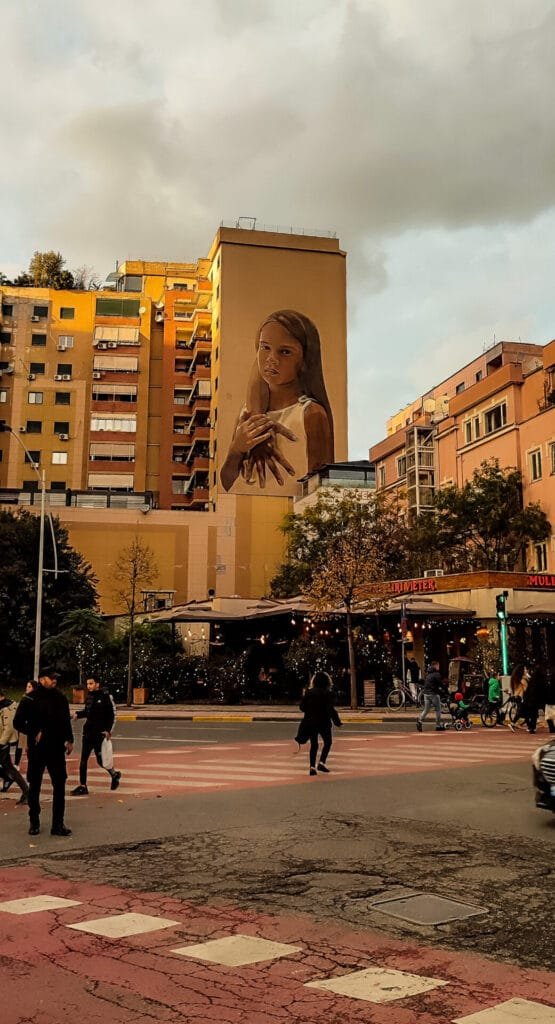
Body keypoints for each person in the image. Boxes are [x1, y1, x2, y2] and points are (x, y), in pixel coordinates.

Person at [220, 310, 334, 494]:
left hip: (292, 516)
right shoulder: (247, 414)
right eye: (265, 347)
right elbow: (225, 483)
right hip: (245, 514)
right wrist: (236, 449)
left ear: (305, 360)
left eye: (285, 352)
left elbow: (322, 488)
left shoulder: (311, 413)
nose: (272, 359)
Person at [14, 671, 73, 837]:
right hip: (37, 749)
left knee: (60, 785)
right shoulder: (30, 698)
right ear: (41, 679)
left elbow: (65, 721)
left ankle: (58, 824)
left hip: (56, 749)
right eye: (50, 678)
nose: (54, 681)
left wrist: (69, 739)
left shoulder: (60, 697)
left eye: (56, 678)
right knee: (35, 786)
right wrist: (33, 732)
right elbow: (17, 722)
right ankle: (34, 821)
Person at [71, 677, 121, 795]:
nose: (89, 686)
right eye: (87, 684)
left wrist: (108, 731)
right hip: (88, 732)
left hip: (99, 734)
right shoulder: (89, 696)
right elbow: (88, 712)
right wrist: (78, 714)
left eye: (91, 683)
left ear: (97, 684)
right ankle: (83, 786)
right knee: (83, 760)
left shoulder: (105, 696)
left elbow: (112, 715)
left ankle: (114, 774)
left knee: (101, 760)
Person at [298, 671, 342, 776]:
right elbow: (331, 709)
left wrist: (310, 710)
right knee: (328, 742)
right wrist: (337, 721)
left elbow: (302, 707)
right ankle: (322, 762)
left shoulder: (309, 692)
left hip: (311, 722)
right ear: (327, 682)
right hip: (324, 722)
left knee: (314, 744)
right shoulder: (328, 694)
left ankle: (312, 766)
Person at [0, 688, 30, 805]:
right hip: (2, 741)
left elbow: (9, 728)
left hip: (2, 742)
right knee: (8, 767)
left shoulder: (7, 707)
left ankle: (26, 791)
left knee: (9, 767)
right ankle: (10, 780)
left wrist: (2, 743)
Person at [416, 661, 446, 732]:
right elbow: (440, 684)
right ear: (435, 666)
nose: (439, 667)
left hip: (426, 694)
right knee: (438, 710)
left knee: (426, 709)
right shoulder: (436, 674)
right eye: (438, 666)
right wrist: (444, 689)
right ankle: (438, 726)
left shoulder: (428, 674)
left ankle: (420, 721)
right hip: (433, 694)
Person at [521, 666, 546, 734]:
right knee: (534, 714)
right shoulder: (541, 679)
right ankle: (533, 727)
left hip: (529, 699)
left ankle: (531, 727)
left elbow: (529, 689)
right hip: (536, 699)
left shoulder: (532, 679)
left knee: (530, 714)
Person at [507, 664, 529, 731]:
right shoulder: (523, 679)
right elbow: (526, 688)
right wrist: (528, 678)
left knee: (524, 712)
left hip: (517, 696)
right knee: (521, 712)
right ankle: (512, 723)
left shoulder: (515, 678)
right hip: (521, 697)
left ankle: (529, 726)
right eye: (525, 669)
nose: (526, 670)